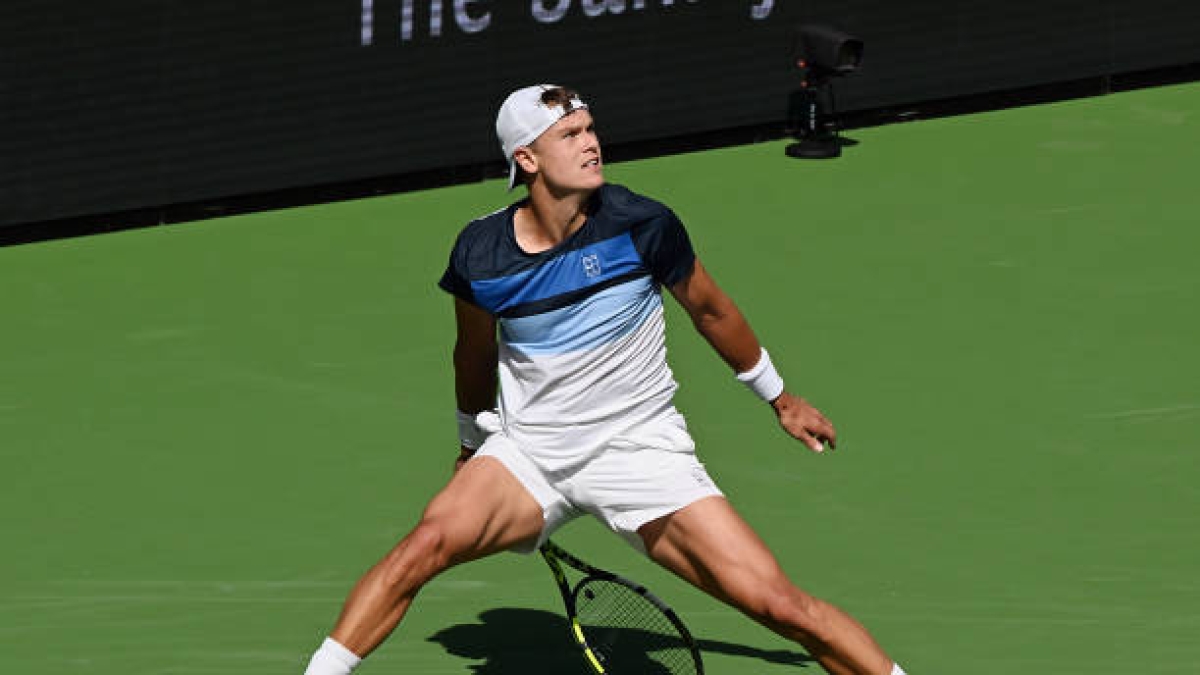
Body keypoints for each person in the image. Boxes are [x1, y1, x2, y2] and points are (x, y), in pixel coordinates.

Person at [302, 84, 909, 675]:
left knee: (780, 605)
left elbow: (711, 309)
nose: (591, 143)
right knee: (420, 550)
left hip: (638, 450)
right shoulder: (481, 254)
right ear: (528, 158)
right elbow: (473, 354)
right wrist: (470, 443)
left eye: (590, 129)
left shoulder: (640, 224)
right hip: (530, 455)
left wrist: (779, 397)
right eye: (570, 135)